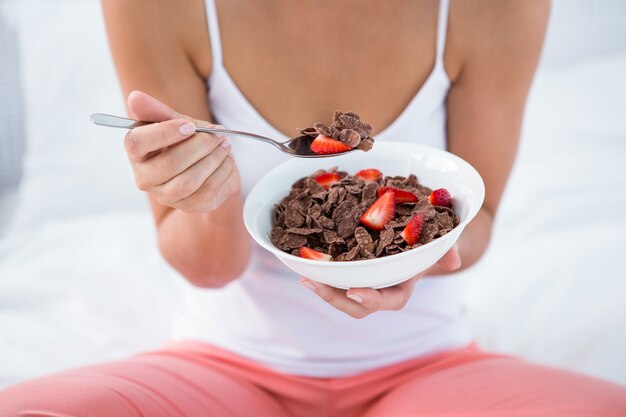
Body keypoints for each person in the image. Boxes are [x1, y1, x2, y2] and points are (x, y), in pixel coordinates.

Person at [2, 0, 626, 416]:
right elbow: (209, 266)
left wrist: (410, 260)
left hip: (426, 369)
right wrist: (204, 193)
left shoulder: (495, 8)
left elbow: (476, 218)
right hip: (224, 368)